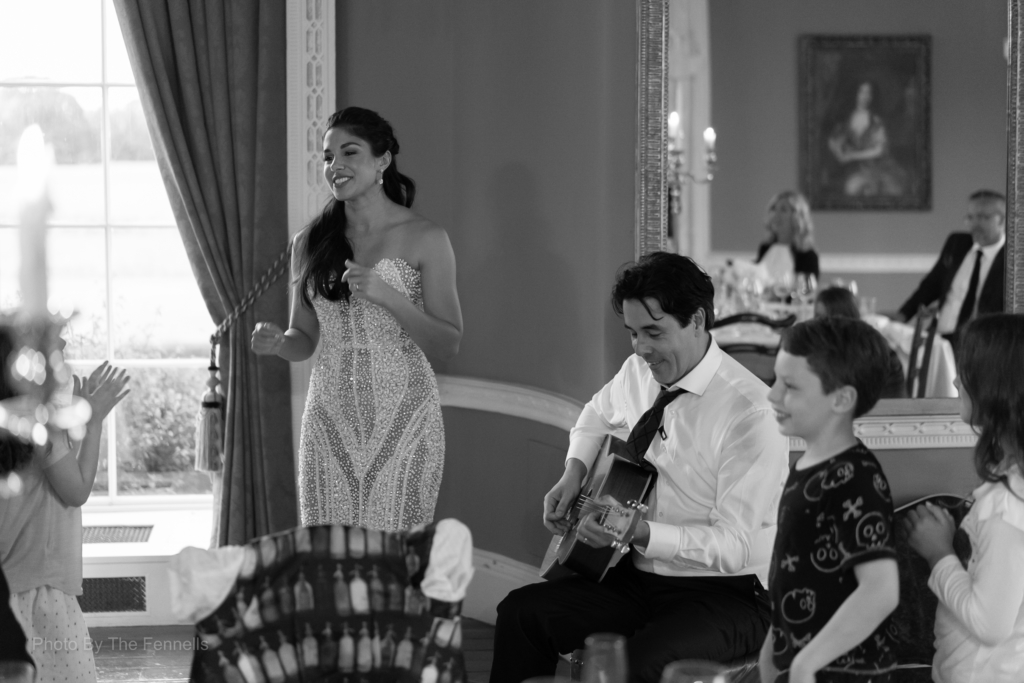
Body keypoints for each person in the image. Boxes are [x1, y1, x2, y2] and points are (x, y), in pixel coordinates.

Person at [491, 252, 789, 683]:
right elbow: (595, 414)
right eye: (632, 333)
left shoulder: (751, 414)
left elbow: (734, 546)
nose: (640, 348)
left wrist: (641, 532)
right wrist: (573, 472)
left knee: (636, 664)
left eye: (653, 332)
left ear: (699, 321)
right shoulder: (638, 372)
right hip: (636, 576)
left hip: (731, 595)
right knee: (522, 613)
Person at [251, 107, 462, 531]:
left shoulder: (427, 237)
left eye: (349, 152)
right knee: (328, 555)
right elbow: (303, 338)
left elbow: (448, 344)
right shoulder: (308, 241)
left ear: (382, 160)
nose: (335, 166)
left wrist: (390, 298)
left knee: (391, 562)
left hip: (405, 418)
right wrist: (279, 342)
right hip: (328, 420)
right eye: (328, 156)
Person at [762, 317, 900, 683]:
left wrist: (808, 663)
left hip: (844, 672)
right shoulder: (807, 464)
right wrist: (771, 648)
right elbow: (791, 567)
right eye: (776, 379)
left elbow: (882, 589)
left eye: (790, 386)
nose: (772, 394)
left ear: (841, 399)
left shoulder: (854, 478)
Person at [0, 329, 130, 683]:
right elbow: (76, 491)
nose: (65, 365)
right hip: (43, 591)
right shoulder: (41, 424)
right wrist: (95, 419)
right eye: (58, 355)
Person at [904, 313, 1024, 683]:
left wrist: (938, 553)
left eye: (965, 371)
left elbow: (990, 624)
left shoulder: (1006, 509)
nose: (955, 380)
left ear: (995, 388)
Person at [897, 190, 1006, 343]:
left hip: (982, 343)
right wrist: (901, 316)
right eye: (970, 217)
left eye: (982, 217)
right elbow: (930, 287)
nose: (975, 224)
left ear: (1002, 220)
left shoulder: (1013, 259)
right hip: (938, 338)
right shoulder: (957, 244)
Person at [814, 286, 906, 399]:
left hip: (882, 411)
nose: (817, 324)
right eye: (816, 317)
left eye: (824, 319)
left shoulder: (860, 354)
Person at [826, 80, 907, 198]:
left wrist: (851, 156)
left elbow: (879, 150)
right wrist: (839, 153)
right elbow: (832, 141)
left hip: (880, 167)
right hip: (858, 169)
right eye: (862, 92)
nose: (865, 96)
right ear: (855, 94)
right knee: (852, 190)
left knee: (892, 190)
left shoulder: (875, 120)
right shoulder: (846, 119)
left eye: (869, 93)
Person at [755, 191, 820, 283]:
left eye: (783, 210)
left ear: (797, 217)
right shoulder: (765, 248)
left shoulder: (807, 256)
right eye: (774, 209)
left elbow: (805, 290)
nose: (776, 215)